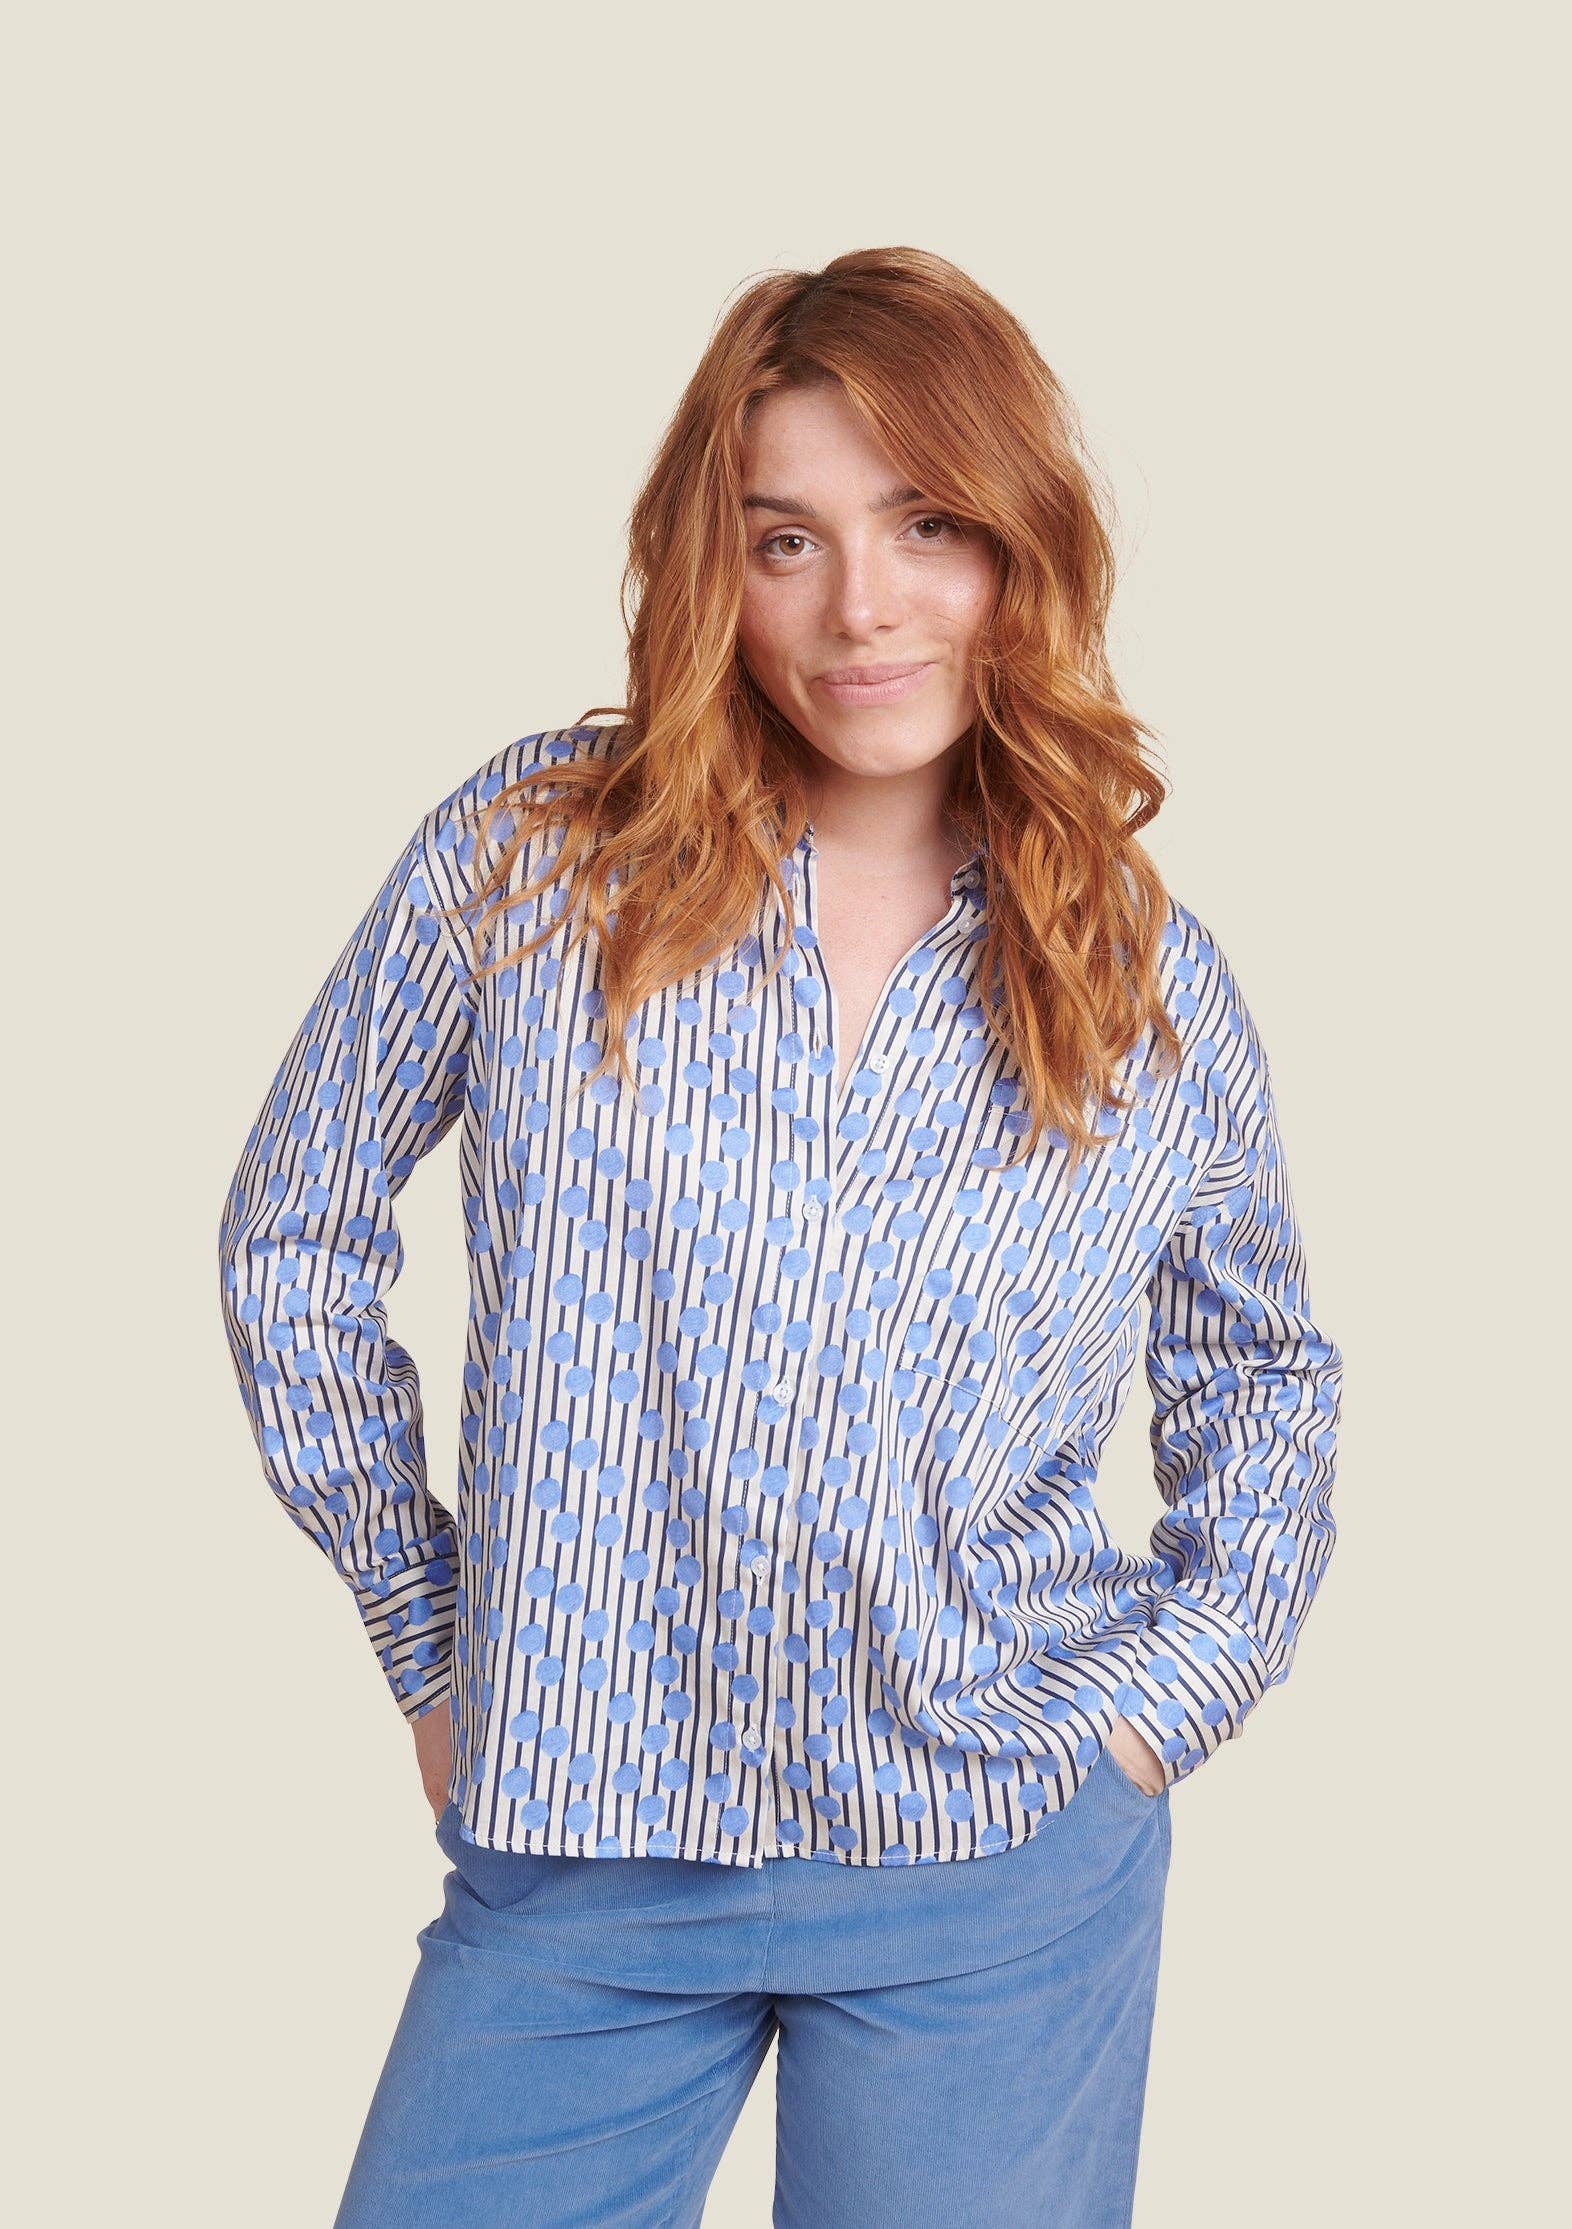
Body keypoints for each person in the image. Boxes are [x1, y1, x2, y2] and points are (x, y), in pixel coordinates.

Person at [217, 246, 1343, 2229]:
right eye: (787, 539)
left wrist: (1159, 1712)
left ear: (1017, 550)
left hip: (991, 1863)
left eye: (926, 525)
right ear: (712, 569)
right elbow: (292, 1230)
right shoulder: (529, 866)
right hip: (584, 1851)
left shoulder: (1140, 975)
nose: (861, 605)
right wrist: (427, 1629)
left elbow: (1263, 1373)